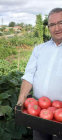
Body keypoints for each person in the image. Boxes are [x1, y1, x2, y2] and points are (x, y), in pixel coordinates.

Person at [16, 7, 62, 140]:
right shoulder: (39, 49)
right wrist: (21, 100)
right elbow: (29, 76)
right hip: (39, 112)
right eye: (52, 25)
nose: (57, 28)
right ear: (48, 28)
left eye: (61, 23)